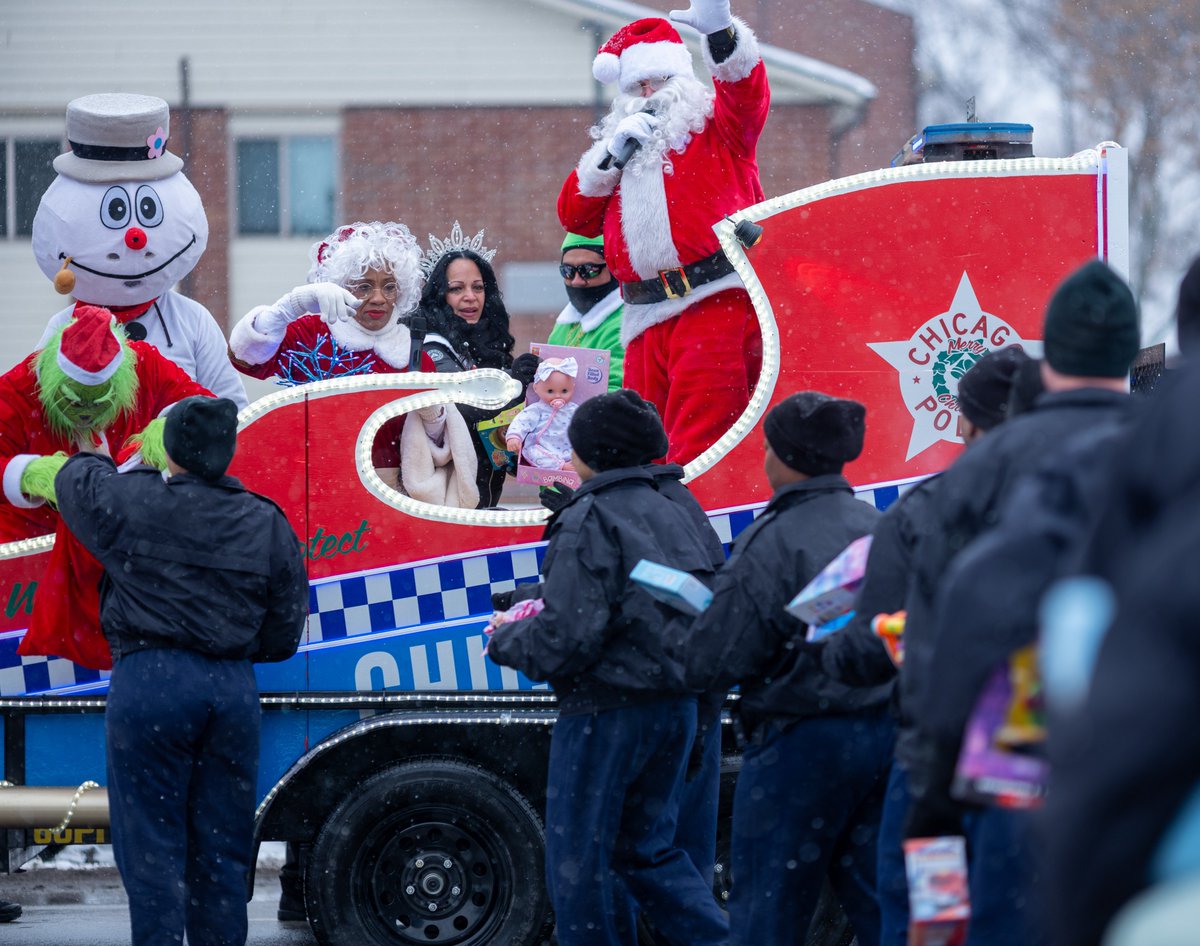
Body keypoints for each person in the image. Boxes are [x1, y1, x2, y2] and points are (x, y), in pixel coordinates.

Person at [903, 259, 1140, 946]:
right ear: (1126, 352)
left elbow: (940, 636)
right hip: (1147, 756)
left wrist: (930, 799)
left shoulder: (983, 466)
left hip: (1013, 758)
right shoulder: (1171, 446)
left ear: (1054, 353)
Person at [53, 395, 307, 946]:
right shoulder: (266, 521)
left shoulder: (136, 502)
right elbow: (284, 634)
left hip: (150, 683)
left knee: (150, 845)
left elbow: (78, 488)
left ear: (167, 450)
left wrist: (90, 452)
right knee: (222, 845)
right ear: (228, 453)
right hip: (231, 690)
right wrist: (225, 649)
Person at [487, 389, 729, 946]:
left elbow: (567, 636)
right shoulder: (678, 509)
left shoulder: (590, 516)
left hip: (606, 712)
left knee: (579, 864)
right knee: (647, 852)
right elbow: (688, 602)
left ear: (583, 453)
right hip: (676, 706)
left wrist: (507, 637)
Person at [818, 345, 1035, 946]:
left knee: (929, 919)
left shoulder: (927, 510)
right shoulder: (1091, 495)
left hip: (937, 763)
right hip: (1042, 753)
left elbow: (867, 645)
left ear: (965, 421)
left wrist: (828, 650)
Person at [684, 391, 889, 946]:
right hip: (883, 738)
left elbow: (716, 656)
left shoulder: (770, 541)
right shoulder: (880, 527)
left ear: (785, 455)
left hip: (797, 744)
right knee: (880, 902)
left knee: (767, 912)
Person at [558, 0, 769, 465]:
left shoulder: (717, 126)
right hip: (642, 316)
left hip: (713, 301)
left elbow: (746, 93)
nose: (650, 92)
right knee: (638, 447)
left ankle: (699, 531)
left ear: (684, 79)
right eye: (637, 85)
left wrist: (721, 35)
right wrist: (609, 155)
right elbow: (574, 216)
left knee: (703, 443)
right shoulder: (620, 153)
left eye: (660, 80)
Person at [228, 220, 479, 508]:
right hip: (314, 492)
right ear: (342, 286)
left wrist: (434, 417)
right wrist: (293, 305)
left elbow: (432, 447)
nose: (378, 298)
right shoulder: (314, 334)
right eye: (364, 286)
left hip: (390, 500)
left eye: (389, 287)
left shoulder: (416, 351)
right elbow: (243, 357)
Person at [33, 93, 247, 408]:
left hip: (173, 459)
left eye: (147, 209)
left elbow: (232, 411)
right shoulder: (63, 329)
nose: (136, 239)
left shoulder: (192, 322)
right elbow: (36, 410)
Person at [0, 304, 211, 544]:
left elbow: (209, 410)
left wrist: (170, 433)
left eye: (100, 401)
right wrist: (28, 473)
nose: (86, 413)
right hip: (43, 535)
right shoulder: (18, 390)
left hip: (138, 527)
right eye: (73, 401)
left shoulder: (143, 365)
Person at [411, 223, 539, 507]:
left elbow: (494, 431)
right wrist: (513, 383)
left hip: (484, 500)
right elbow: (458, 406)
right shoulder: (429, 347)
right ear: (439, 296)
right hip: (444, 507)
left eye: (478, 287)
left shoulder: (487, 345)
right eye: (457, 288)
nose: (471, 296)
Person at [549, 232, 625, 390]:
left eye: (589, 270)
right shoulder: (564, 324)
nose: (576, 281)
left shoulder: (626, 323)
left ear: (613, 269)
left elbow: (619, 391)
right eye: (567, 271)